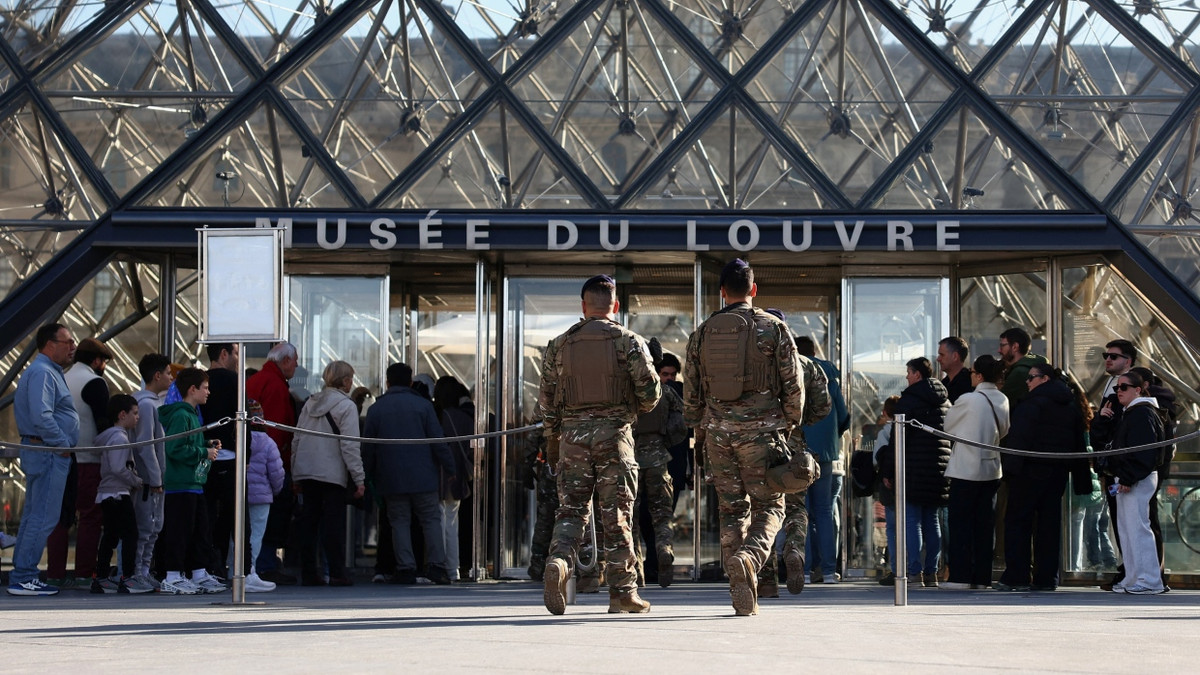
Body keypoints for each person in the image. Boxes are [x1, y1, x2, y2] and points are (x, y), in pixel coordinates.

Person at [683, 260, 805, 616]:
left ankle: (742, 584)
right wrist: (790, 424)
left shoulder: (702, 332)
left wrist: (699, 426)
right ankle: (750, 559)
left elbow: (692, 391)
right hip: (762, 434)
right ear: (754, 290)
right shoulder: (773, 327)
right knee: (770, 506)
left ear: (722, 292)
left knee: (731, 510)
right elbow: (793, 384)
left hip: (718, 434)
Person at [539, 274, 660, 616]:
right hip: (614, 438)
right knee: (616, 516)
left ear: (583, 305)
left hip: (572, 440)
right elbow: (651, 395)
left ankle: (560, 562)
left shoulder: (559, 344)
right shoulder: (628, 341)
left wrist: (553, 437)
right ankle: (622, 593)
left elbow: (546, 403)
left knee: (571, 511)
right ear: (615, 305)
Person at [995, 364, 1089, 591]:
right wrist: (1080, 477)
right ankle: (1046, 578)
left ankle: (1016, 576)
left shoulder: (1032, 404)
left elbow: (1019, 439)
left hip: (1028, 471)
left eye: (1031, 377)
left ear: (1044, 379)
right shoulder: (1070, 406)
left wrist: (1009, 471)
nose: (1027, 382)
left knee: (1018, 522)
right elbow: (1079, 444)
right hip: (1057, 472)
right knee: (1048, 525)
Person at [364, 362, 456, 586]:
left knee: (399, 522)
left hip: (391, 477)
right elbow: (438, 440)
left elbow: (367, 448)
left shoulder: (376, 409)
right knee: (431, 520)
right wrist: (450, 467)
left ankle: (405, 568)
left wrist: (366, 474)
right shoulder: (424, 406)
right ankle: (436, 567)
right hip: (423, 476)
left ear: (387, 382)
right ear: (411, 382)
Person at [8, 323, 80, 596]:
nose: (73, 347)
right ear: (50, 344)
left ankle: (22, 573)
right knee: (43, 518)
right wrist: (62, 443)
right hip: (49, 452)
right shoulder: (43, 372)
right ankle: (24, 576)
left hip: (45, 451)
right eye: (68, 342)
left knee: (34, 516)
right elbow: (42, 415)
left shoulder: (46, 371)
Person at [877, 357, 951, 588]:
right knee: (932, 520)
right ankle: (932, 572)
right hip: (938, 469)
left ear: (917, 374)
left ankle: (914, 571)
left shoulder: (909, 401)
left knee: (912, 521)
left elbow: (897, 441)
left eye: (909, 372)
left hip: (912, 468)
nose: (907, 376)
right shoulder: (945, 402)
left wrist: (888, 470)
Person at [47, 336, 114, 589]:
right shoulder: (95, 382)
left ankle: (54, 574)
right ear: (97, 361)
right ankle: (84, 574)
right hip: (88, 459)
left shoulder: (61, 377)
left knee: (59, 518)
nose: (104, 366)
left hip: (61, 456)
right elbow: (103, 424)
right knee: (89, 517)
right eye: (104, 361)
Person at [292, 360, 365, 587]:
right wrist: (359, 478)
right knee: (333, 524)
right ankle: (336, 572)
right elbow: (350, 445)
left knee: (309, 523)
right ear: (344, 381)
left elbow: (297, 439)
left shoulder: (310, 403)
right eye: (350, 379)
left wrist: (295, 473)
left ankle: (308, 572)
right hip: (332, 472)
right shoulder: (347, 406)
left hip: (307, 470)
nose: (352, 383)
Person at [942, 355, 1010, 590]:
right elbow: (1005, 431)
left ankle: (960, 576)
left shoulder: (968, 399)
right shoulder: (1002, 399)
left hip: (966, 469)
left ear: (979, 375)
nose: (970, 375)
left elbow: (948, 427)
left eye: (972, 372)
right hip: (991, 469)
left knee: (961, 525)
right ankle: (982, 578)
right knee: (984, 526)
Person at [158, 367, 225, 595]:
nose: (208, 392)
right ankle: (173, 575)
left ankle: (198, 572)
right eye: (205, 388)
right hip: (181, 484)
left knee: (199, 531)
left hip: (193, 484)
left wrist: (206, 445)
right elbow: (175, 448)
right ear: (192, 389)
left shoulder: (192, 415)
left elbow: (187, 444)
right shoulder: (181, 415)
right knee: (180, 531)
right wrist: (203, 453)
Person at [1105, 370, 1166, 595]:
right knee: (1128, 529)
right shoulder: (1134, 412)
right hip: (1132, 475)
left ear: (1138, 390)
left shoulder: (1142, 413)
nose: (1118, 391)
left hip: (1137, 477)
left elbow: (1144, 452)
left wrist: (1129, 477)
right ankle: (1134, 577)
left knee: (1137, 529)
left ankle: (1148, 580)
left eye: (1124, 387)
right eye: (1117, 387)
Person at [633, 342, 686, 588]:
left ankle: (636, 570)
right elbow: (683, 422)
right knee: (662, 516)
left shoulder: (628, 389)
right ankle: (664, 549)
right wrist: (664, 440)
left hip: (630, 460)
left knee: (630, 518)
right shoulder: (666, 392)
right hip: (658, 459)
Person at [246, 341, 299, 585]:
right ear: (285, 360)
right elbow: (276, 432)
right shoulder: (276, 385)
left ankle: (256, 564)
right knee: (268, 519)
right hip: (266, 464)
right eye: (295, 360)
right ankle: (265, 564)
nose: (297, 365)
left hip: (249, 460)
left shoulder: (257, 379)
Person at [795, 335, 847, 585]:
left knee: (801, 511)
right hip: (826, 453)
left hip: (798, 450)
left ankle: (803, 570)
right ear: (815, 351)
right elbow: (844, 415)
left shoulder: (792, 372)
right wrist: (832, 438)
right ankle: (828, 571)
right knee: (825, 511)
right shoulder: (830, 378)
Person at [90, 394, 153, 594]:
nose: (138, 418)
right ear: (122, 414)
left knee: (110, 535)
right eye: (135, 413)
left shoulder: (111, 436)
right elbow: (118, 467)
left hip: (109, 493)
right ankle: (128, 577)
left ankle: (101, 577)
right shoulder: (119, 437)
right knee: (130, 534)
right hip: (117, 493)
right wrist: (136, 480)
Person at [199, 342, 240, 580]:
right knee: (231, 517)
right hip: (227, 456)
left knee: (206, 515)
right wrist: (245, 455)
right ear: (223, 354)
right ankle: (227, 568)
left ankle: (207, 567)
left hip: (203, 458)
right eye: (235, 353)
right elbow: (241, 420)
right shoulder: (233, 381)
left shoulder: (198, 380)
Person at [131, 353, 171, 591]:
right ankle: (138, 572)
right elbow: (146, 444)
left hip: (156, 479)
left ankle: (144, 571)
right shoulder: (146, 405)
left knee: (154, 527)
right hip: (149, 481)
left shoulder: (153, 403)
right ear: (157, 375)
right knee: (146, 527)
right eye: (167, 373)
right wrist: (155, 477)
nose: (170, 377)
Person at [433, 376, 475, 582]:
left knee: (439, 520)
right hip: (458, 476)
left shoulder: (438, 416)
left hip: (439, 474)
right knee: (451, 522)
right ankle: (453, 569)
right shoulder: (466, 418)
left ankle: (441, 566)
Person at [245, 400, 284, 592]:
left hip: (240, 495)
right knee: (256, 536)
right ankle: (250, 571)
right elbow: (277, 473)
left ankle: (234, 570)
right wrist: (274, 491)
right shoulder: (268, 442)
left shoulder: (238, 438)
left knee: (236, 536)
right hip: (261, 498)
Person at [998, 327, 1047, 408]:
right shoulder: (1034, 364)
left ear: (1015, 347)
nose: (999, 350)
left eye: (1002, 345)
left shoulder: (1020, 373)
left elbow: (1000, 405)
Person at [937, 336, 972, 404]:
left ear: (955, 356)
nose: (938, 359)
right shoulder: (943, 384)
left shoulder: (968, 384)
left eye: (942, 355)